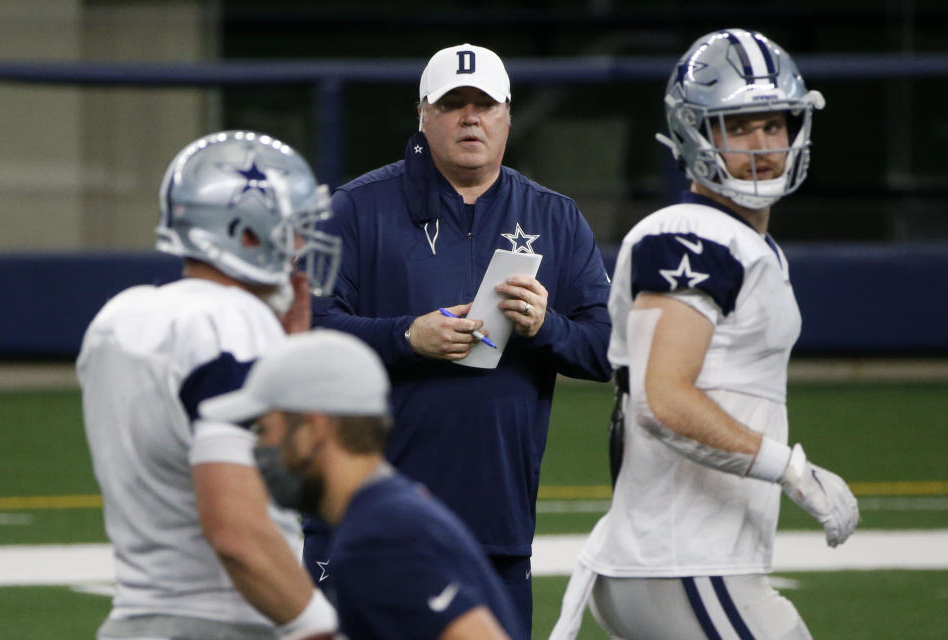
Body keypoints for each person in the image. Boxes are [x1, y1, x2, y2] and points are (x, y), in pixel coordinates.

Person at [550, 29, 860, 639]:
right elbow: (662, 400)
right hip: (685, 561)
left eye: (774, 125)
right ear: (695, 133)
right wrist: (792, 470)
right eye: (739, 127)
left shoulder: (743, 241)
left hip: (690, 561)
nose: (762, 145)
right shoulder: (692, 235)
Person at [307, 42, 613, 632]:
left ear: (507, 116)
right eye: (453, 103)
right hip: (361, 518)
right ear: (423, 113)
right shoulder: (355, 208)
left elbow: (605, 351)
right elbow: (306, 330)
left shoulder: (555, 217)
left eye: (484, 104)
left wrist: (544, 326)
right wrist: (406, 337)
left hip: (496, 523)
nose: (470, 117)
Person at [77, 130, 342, 640]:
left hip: (136, 617)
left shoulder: (120, 318)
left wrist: (282, 357)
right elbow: (238, 529)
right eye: (293, 228)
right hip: (229, 620)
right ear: (246, 233)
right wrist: (318, 626)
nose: (303, 245)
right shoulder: (230, 323)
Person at [199, 329, 527, 639]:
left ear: (312, 430)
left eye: (263, 429)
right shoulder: (386, 517)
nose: (258, 449)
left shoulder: (379, 539)